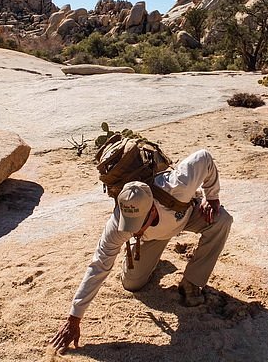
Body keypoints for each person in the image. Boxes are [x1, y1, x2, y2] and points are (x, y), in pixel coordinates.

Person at [50, 149, 232, 354]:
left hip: (185, 216)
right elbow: (99, 265)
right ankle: (153, 262)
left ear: (152, 209)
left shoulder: (178, 184)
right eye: (130, 225)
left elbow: (204, 157)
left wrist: (212, 195)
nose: (134, 230)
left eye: (139, 223)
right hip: (153, 238)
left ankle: (192, 282)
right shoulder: (118, 224)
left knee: (222, 220)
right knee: (132, 284)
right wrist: (74, 318)